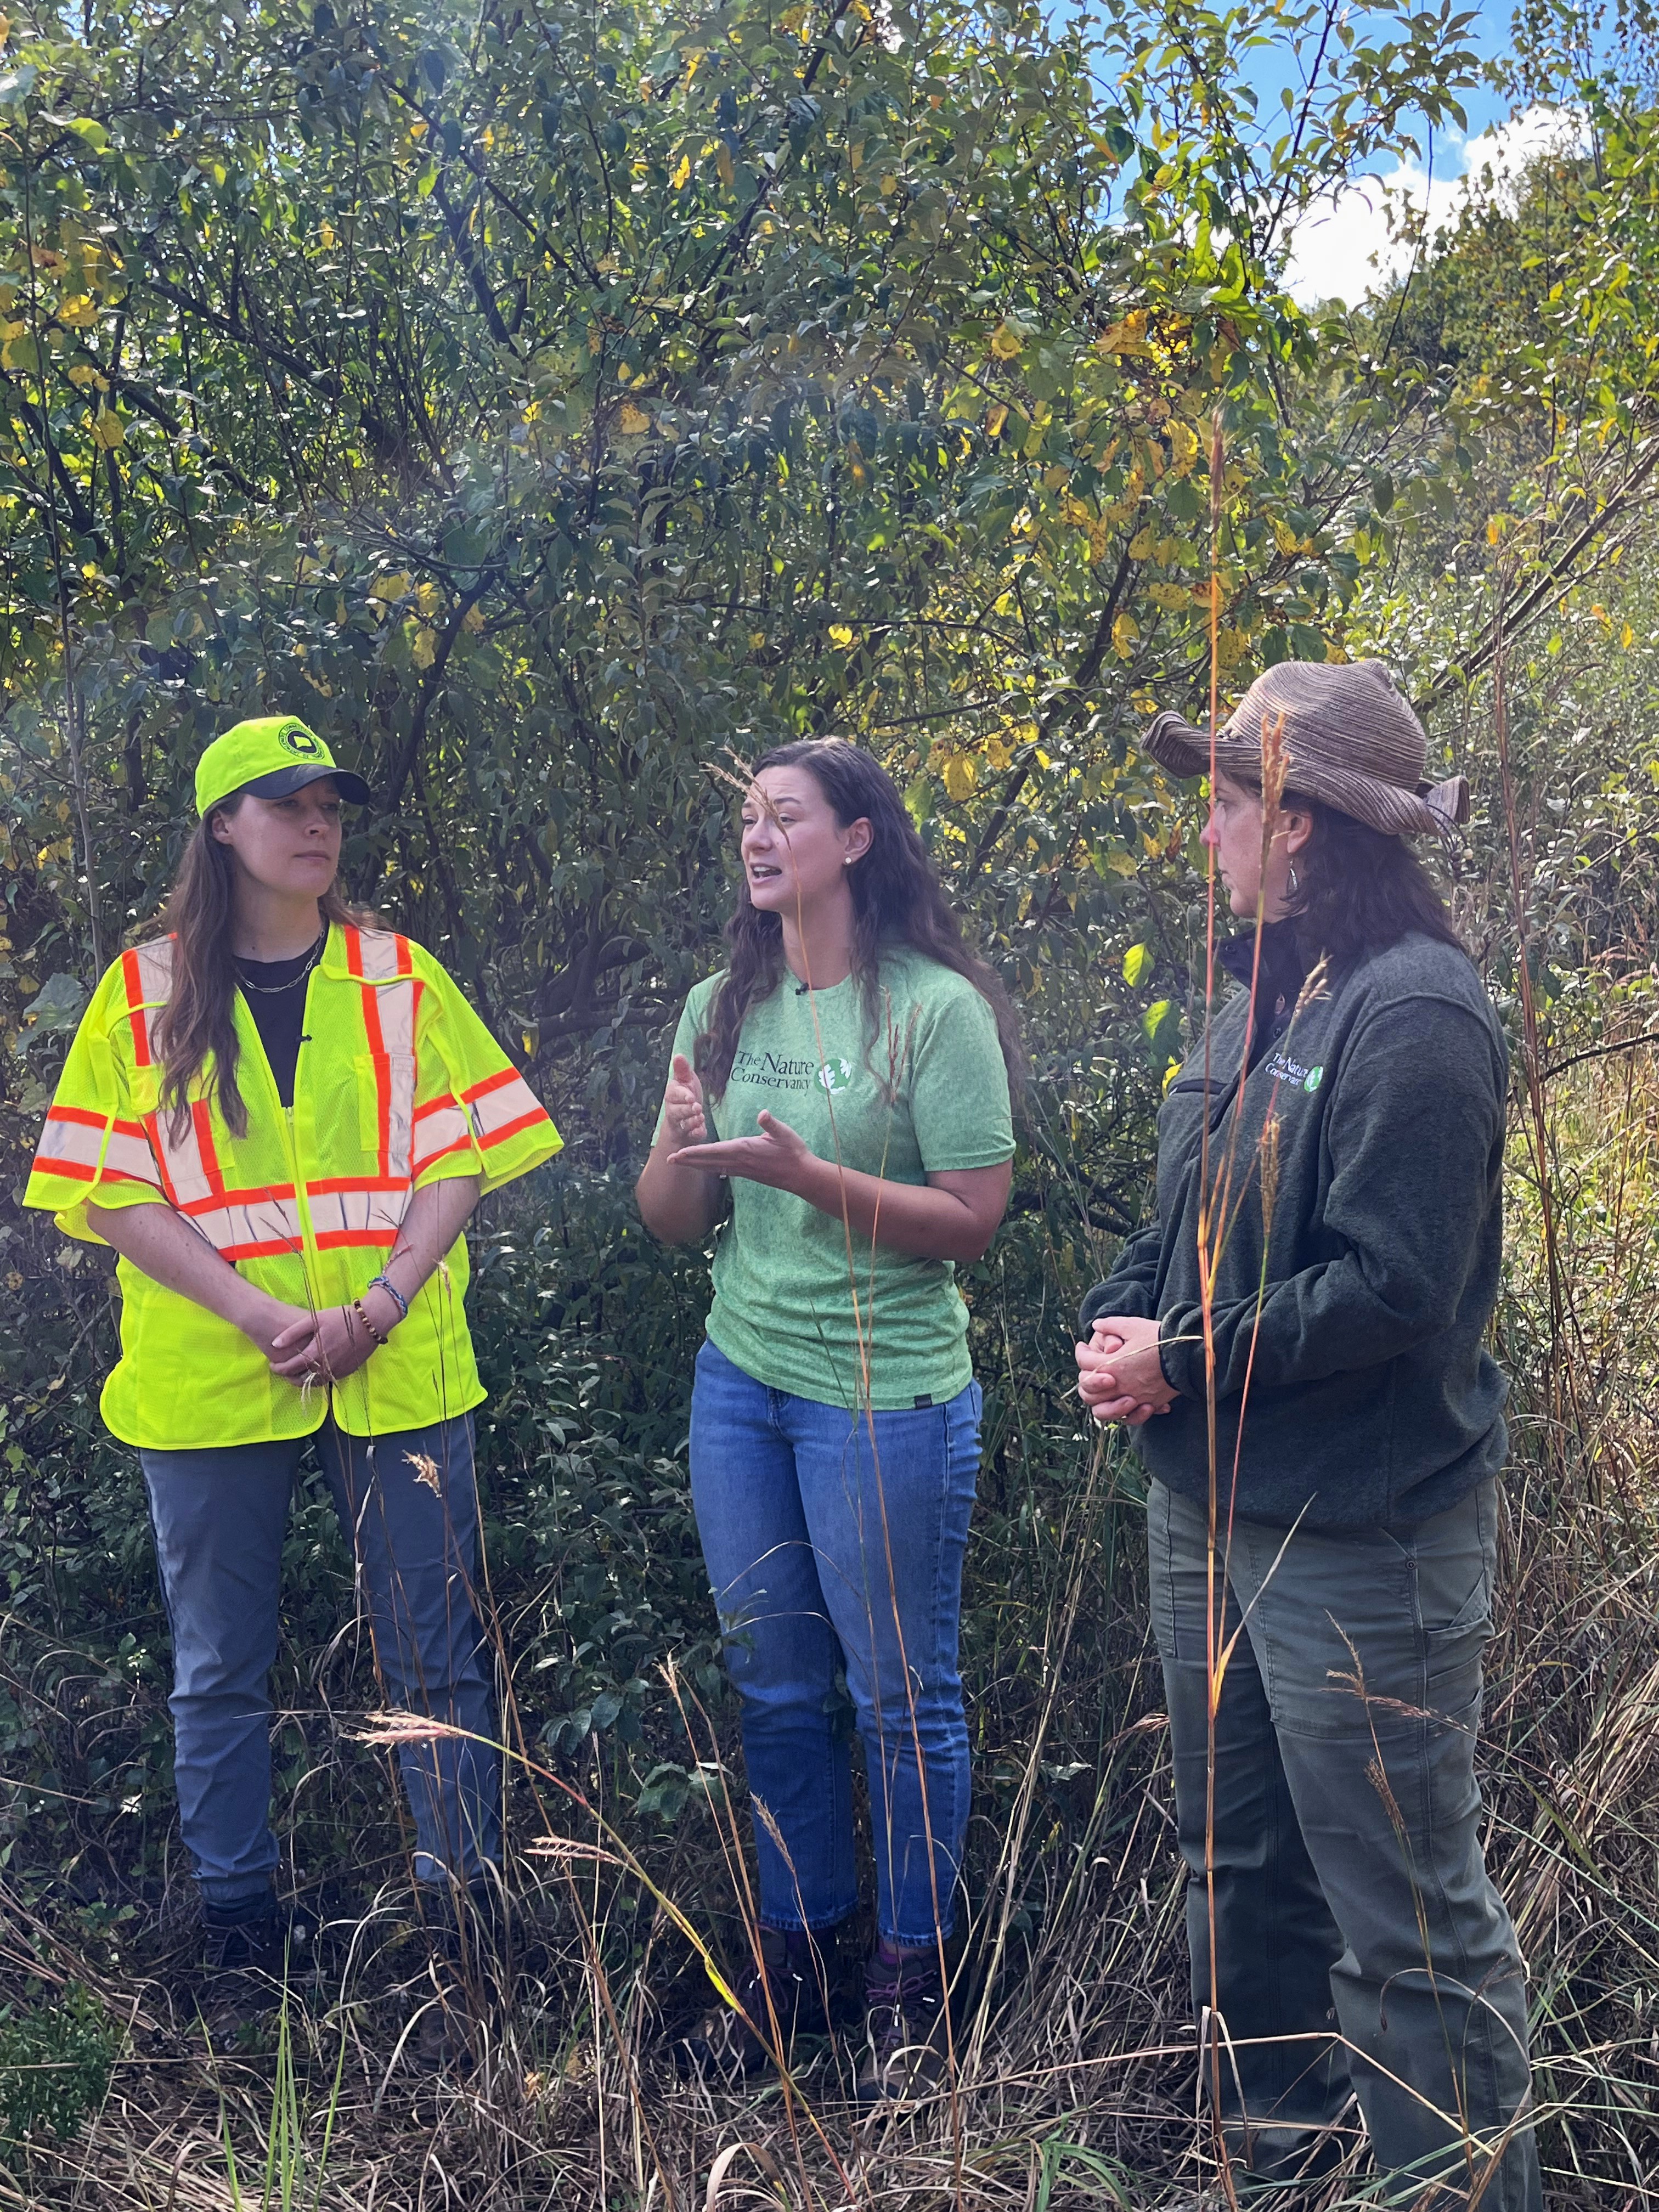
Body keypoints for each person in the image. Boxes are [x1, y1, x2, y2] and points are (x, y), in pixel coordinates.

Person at [1075, 661, 1538, 2208]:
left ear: (1307, 825)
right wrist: (1119, 1325)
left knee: (1408, 1927)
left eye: (1227, 795)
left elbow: (1393, 1290)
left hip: (1361, 1542)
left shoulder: (1420, 1015)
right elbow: (1185, 1216)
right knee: (1243, 1882)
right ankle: (1286, 2169)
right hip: (1202, 1513)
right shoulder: (1263, 989)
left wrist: (1184, 1359)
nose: (1205, 824)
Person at [24, 715, 562, 2036]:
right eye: (286, 803)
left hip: (400, 1366)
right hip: (213, 1376)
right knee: (220, 1668)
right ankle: (242, 1934)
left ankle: (464, 1921)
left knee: (435, 1657)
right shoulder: (142, 992)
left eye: (330, 803)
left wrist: (376, 1305)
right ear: (222, 827)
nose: (317, 824)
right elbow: (111, 1193)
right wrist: (266, 1311)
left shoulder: (398, 974)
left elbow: (463, 1154)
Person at [636, 738, 1020, 2102]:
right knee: (778, 1692)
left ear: (855, 842)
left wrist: (812, 1177)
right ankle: (794, 1963)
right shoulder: (716, 1008)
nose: (758, 837)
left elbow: (973, 1222)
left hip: (885, 1395)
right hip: (743, 1386)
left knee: (900, 1698)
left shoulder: (931, 1012)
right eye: (747, 817)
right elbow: (675, 1222)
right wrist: (683, 1142)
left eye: (784, 815)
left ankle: (910, 1983)